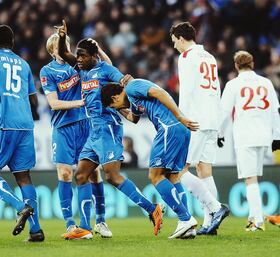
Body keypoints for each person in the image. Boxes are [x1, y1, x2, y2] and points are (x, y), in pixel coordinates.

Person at [57, 20, 163, 240]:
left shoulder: (106, 70)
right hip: (93, 131)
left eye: (82, 55)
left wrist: (130, 88)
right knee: (81, 175)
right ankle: (85, 227)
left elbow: (126, 83)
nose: (78, 59)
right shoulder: (82, 69)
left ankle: (151, 209)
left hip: (108, 128)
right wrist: (61, 37)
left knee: (112, 177)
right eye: (77, 55)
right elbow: (63, 54)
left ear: (94, 56)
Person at [101, 78, 199, 239]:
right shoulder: (133, 98)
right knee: (173, 177)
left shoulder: (132, 87)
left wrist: (180, 116)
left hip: (169, 128)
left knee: (155, 175)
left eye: (114, 106)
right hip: (180, 130)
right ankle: (187, 225)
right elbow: (134, 118)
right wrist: (119, 110)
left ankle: (185, 218)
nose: (119, 108)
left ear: (114, 98)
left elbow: (160, 93)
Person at [0, 25, 44, 242]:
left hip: (4, 123)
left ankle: (20, 207)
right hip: (25, 124)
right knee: (24, 176)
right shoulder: (23, 64)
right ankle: (36, 231)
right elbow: (34, 100)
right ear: (12, 43)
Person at [40, 32, 112, 237]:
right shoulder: (47, 71)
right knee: (64, 173)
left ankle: (100, 220)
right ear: (52, 51)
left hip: (85, 125)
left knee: (93, 173)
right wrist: (80, 102)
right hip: (63, 128)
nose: (64, 49)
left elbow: (106, 66)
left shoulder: (77, 65)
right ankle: (70, 223)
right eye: (59, 47)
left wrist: (98, 49)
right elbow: (54, 104)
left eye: (66, 44)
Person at [170, 21, 229, 235]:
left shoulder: (186, 57)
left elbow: (186, 90)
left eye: (175, 41)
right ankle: (209, 222)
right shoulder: (210, 57)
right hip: (213, 118)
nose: (175, 45)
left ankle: (215, 208)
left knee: (180, 169)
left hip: (195, 119)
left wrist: (181, 118)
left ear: (182, 38)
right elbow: (217, 89)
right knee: (204, 170)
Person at [218, 50, 280, 232]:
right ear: (252, 64)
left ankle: (257, 221)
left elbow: (224, 112)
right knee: (254, 178)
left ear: (236, 65)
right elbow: (275, 111)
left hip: (245, 136)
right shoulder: (266, 82)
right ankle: (254, 216)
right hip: (264, 137)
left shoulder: (233, 84)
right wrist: (277, 136)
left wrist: (219, 134)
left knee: (250, 179)